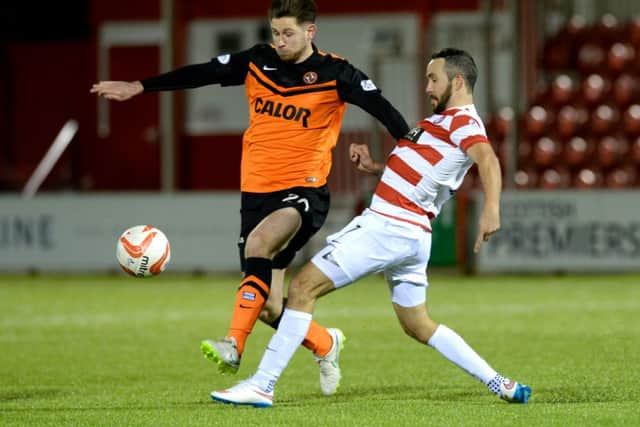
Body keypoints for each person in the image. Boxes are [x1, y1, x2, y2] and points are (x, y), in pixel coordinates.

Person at [91, 0, 409, 396]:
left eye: (288, 33)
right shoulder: (259, 61)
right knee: (270, 306)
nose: (280, 41)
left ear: (311, 32)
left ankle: (233, 347)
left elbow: (387, 113)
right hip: (256, 191)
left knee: (260, 244)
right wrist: (140, 86)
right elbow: (204, 72)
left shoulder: (335, 73)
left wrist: (405, 158)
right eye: (275, 33)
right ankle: (325, 343)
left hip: (305, 188)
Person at [210, 48, 532, 407]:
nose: (427, 87)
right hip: (411, 235)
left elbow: (487, 159)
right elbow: (424, 172)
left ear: (457, 81)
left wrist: (491, 208)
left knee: (302, 288)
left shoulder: (464, 122)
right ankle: (499, 382)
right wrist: (377, 167)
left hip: (389, 225)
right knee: (418, 325)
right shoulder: (441, 122)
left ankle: (262, 385)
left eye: (433, 79)